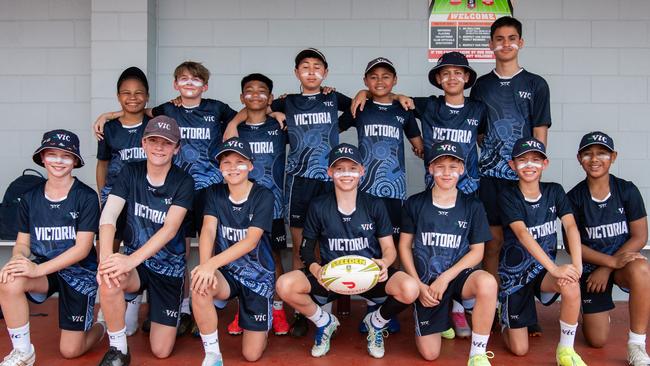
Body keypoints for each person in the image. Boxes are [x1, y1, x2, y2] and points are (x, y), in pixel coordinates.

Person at [95, 61, 239, 336]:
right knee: (172, 246)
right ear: (175, 84)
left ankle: (198, 305)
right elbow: (138, 110)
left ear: (205, 86)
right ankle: (168, 305)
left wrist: (233, 122)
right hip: (174, 189)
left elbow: (246, 112)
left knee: (205, 247)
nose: (189, 84)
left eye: (195, 80)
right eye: (183, 79)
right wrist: (110, 114)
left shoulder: (217, 108)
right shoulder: (167, 109)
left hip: (206, 189)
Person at [225, 48, 352, 337]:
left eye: (317, 66)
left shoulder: (333, 97)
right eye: (304, 66)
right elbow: (257, 106)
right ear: (296, 73)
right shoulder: (287, 102)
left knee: (327, 246)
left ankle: (323, 312)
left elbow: (364, 102)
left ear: (325, 72)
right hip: (298, 182)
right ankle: (297, 312)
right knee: (299, 248)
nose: (311, 71)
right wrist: (235, 122)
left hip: (330, 180)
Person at [275, 143, 419, 359]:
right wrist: (315, 270)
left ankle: (376, 323)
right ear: (330, 172)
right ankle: (325, 323)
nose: (346, 174)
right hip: (332, 278)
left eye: (352, 168)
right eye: (339, 169)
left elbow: (389, 248)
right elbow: (305, 249)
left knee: (410, 288)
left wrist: (385, 263)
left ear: (362, 171)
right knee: (284, 285)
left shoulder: (374, 204)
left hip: (369, 276)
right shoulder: (319, 205)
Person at [470, 18, 552, 338]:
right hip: (490, 176)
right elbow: (478, 133)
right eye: (499, 39)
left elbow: (540, 132)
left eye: (512, 38)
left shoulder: (536, 84)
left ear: (521, 42)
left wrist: (532, 172)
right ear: (490, 45)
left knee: (524, 243)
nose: (505, 43)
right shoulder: (482, 85)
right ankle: (491, 309)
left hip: (522, 179)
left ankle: (521, 308)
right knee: (493, 243)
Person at [0, 130, 104, 365]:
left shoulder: (86, 197)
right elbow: (23, 243)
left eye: (66, 156)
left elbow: (83, 249)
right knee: (9, 278)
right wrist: (18, 259)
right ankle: (23, 351)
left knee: (71, 351)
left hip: (79, 273)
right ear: (43, 157)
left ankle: (102, 325)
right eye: (53, 154)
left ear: (75, 161)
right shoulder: (30, 197)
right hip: (46, 271)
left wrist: (38, 269)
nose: (59, 161)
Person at [96, 116, 194, 365]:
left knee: (161, 351)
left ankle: (154, 311)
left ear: (177, 147)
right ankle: (119, 350)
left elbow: (170, 230)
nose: (159, 147)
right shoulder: (130, 171)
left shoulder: (183, 181)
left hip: (168, 269)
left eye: (166, 142)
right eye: (153, 141)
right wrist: (106, 259)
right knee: (109, 278)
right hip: (136, 266)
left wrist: (129, 261)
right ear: (143, 143)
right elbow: (109, 215)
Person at [339, 57, 423, 334]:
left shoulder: (403, 109)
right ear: (365, 81)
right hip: (364, 191)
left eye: (386, 76)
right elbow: (331, 126)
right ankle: (369, 302)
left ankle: (388, 307)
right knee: (367, 243)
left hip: (395, 190)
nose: (379, 81)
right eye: (373, 77)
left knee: (394, 245)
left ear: (395, 81)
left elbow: (418, 145)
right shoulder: (359, 106)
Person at [399, 140, 496, 365]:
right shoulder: (415, 203)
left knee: (488, 283)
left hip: (458, 277)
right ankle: (444, 319)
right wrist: (418, 285)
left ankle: (478, 354)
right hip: (427, 283)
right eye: (440, 166)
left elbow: (477, 252)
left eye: (453, 167)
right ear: (430, 168)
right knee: (430, 354)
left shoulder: (473, 206)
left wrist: (446, 278)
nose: (446, 173)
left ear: (462, 169)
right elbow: (404, 246)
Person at [498, 137, 586, 365]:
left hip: (544, 272)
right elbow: (522, 234)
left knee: (571, 283)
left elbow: (570, 226)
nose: (530, 165)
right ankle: (506, 319)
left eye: (536, 160)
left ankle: (565, 351)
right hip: (515, 276)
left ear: (545, 164)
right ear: (512, 165)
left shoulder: (554, 191)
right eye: (523, 160)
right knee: (519, 350)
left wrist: (577, 265)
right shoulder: (508, 195)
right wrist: (555, 268)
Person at [566, 131, 649, 365]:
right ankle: (591, 311)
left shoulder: (626, 190)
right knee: (597, 340)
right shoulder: (573, 198)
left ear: (613, 157)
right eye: (588, 154)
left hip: (620, 265)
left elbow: (640, 236)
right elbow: (576, 247)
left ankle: (637, 344)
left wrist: (609, 267)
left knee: (642, 268)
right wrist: (604, 265)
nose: (594, 159)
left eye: (601, 153)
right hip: (592, 271)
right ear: (578, 158)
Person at [191, 137, 276, 365]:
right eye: (226, 162)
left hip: (257, 277)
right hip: (227, 273)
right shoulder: (214, 193)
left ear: (250, 165)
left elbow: (250, 241)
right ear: (220, 168)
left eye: (239, 162)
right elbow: (208, 230)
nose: (233, 167)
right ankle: (212, 354)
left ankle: (255, 323)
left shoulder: (263, 195)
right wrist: (205, 267)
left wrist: (210, 264)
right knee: (199, 285)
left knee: (251, 355)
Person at [224, 74, 290, 336]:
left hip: (272, 205)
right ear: (242, 98)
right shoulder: (234, 129)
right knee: (242, 257)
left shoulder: (280, 126)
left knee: (274, 257)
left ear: (270, 98)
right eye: (248, 91)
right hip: (241, 207)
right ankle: (245, 311)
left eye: (261, 91)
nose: (255, 95)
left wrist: (276, 112)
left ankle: (277, 309)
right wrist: (234, 120)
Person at [95, 66, 150, 336]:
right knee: (109, 247)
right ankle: (107, 304)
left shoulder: (154, 121)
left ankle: (133, 300)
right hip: (115, 195)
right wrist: (101, 193)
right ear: (118, 97)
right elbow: (102, 163)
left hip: (145, 196)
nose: (133, 97)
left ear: (147, 97)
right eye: (126, 93)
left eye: (139, 93)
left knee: (137, 247)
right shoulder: (109, 127)